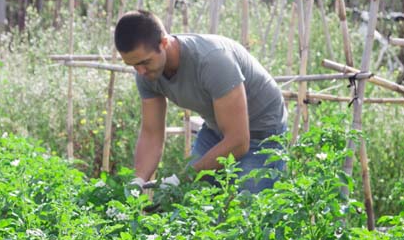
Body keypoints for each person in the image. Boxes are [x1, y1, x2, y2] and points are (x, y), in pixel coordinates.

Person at [115, 10, 288, 194]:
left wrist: (183, 178)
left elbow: (239, 141)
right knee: (191, 199)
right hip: (218, 129)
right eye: (133, 65)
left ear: (164, 43)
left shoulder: (212, 61)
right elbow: (151, 133)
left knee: (245, 207)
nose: (139, 71)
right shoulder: (146, 74)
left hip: (262, 133)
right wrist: (138, 180)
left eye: (145, 62)